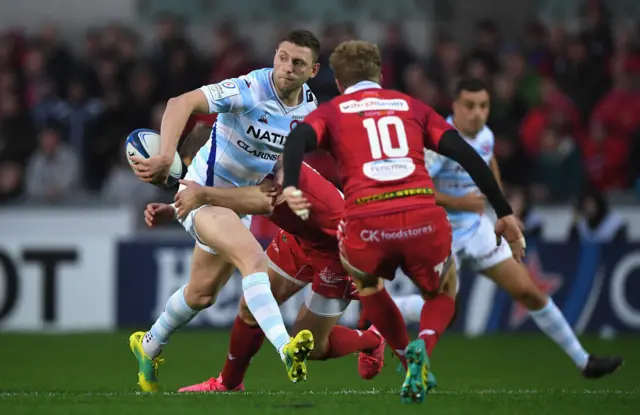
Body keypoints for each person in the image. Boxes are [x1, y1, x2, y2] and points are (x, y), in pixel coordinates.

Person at [280, 40, 524, 404]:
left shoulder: (333, 110)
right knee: (443, 292)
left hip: (366, 221)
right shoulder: (412, 107)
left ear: (341, 83)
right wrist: (503, 212)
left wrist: (290, 186)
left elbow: (298, 137)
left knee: (369, 286)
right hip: (421, 216)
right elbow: (465, 153)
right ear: (380, 75)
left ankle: (400, 352)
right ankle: (423, 345)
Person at [126, 30, 322, 392]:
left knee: (201, 294)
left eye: (298, 63)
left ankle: (148, 343)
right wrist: (167, 158)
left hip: (234, 204)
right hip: (200, 195)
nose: (287, 68)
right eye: (282, 57)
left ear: (313, 70)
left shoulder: (309, 108)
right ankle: (286, 348)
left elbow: (278, 165)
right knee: (253, 258)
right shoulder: (249, 89)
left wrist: (279, 178)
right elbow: (179, 103)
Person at [392, 78, 623, 379]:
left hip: (479, 230)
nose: (477, 113)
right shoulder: (438, 141)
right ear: (456, 107)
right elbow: (413, 187)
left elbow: (489, 163)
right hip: (442, 235)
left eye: (483, 106)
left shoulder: (485, 135)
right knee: (447, 311)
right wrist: (458, 202)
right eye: (470, 106)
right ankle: (383, 306)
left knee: (529, 291)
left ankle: (584, 361)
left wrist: (504, 211)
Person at [144, 125, 385, 392]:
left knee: (313, 348)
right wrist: (175, 208)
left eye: (199, 172)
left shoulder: (267, 167)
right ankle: (229, 384)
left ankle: (371, 340)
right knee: (249, 307)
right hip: (299, 238)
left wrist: (200, 196)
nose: (200, 180)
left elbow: (261, 201)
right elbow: (224, 198)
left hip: (339, 248)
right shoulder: (239, 166)